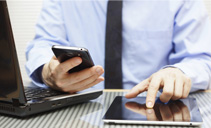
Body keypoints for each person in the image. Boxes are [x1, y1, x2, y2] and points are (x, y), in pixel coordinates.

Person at [26, 0, 211, 108]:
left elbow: (201, 59)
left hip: (156, 109)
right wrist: (47, 72)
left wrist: (178, 72)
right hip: (76, 109)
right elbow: (43, 43)